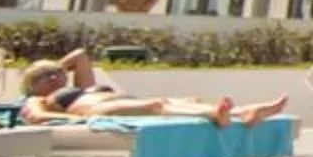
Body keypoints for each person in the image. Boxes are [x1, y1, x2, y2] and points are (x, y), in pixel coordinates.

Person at [18, 53, 286, 127]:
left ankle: (244, 112)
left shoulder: (81, 85)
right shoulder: (38, 98)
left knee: (180, 100)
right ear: (34, 84)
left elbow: (81, 56)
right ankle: (220, 115)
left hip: (111, 101)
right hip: (92, 110)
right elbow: (35, 118)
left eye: (57, 72)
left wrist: (55, 68)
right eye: (45, 76)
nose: (55, 76)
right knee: (155, 106)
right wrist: (75, 118)